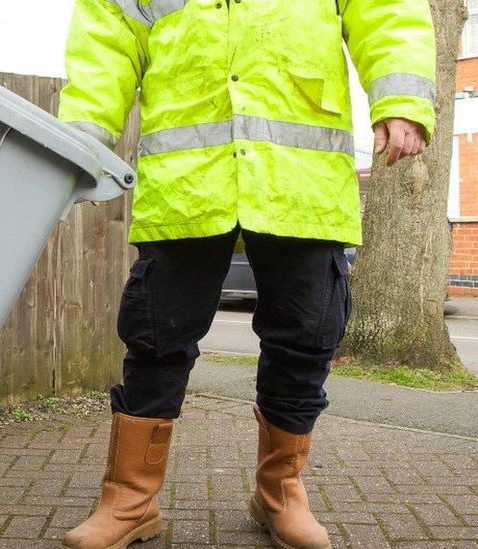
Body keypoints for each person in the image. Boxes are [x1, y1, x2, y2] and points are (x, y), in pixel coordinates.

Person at [56, 1, 435, 548]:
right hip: (188, 182)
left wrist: (401, 100)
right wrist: (81, 138)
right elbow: (105, 41)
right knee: (155, 336)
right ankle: (129, 499)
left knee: (307, 338)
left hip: (299, 181)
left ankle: (279, 491)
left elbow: (387, 11)